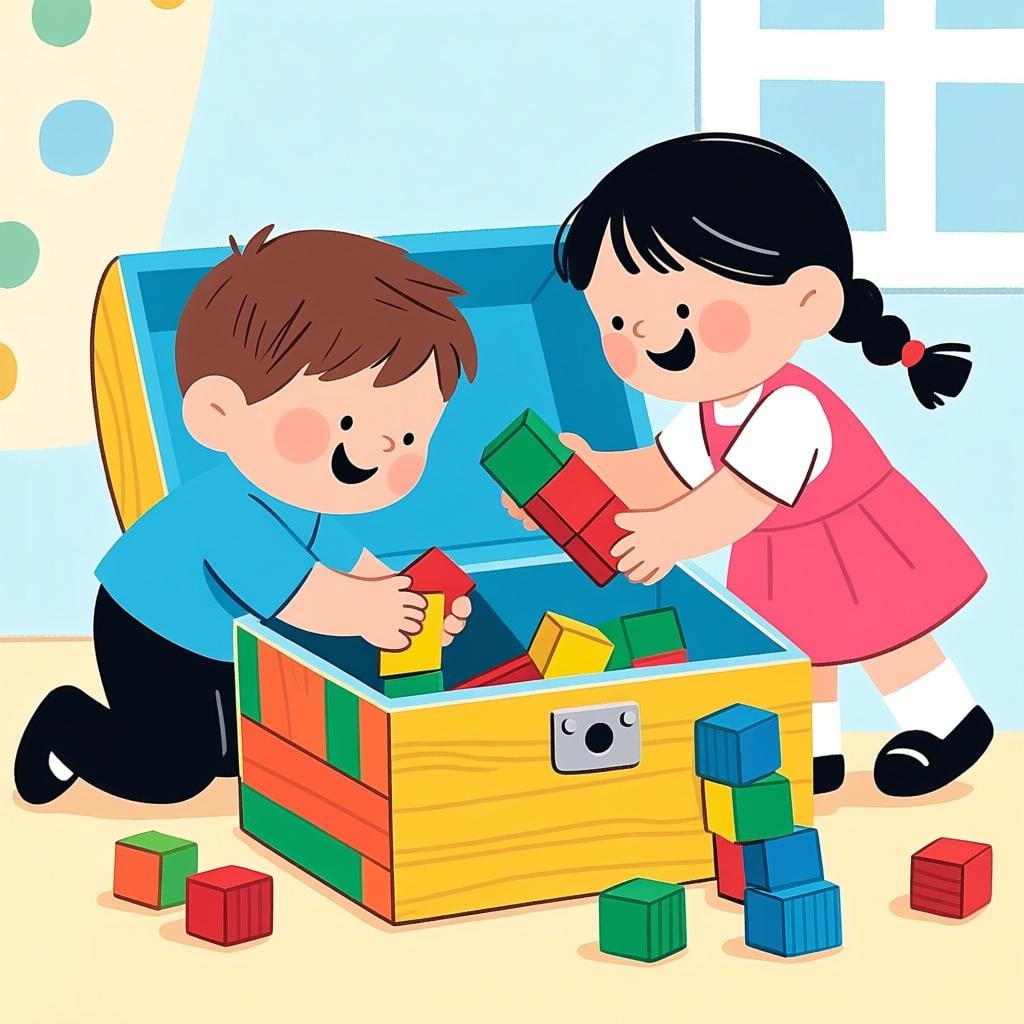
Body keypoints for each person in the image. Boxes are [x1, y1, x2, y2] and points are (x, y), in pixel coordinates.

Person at [505, 134, 991, 798]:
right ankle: (812, 747)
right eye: (617, 320)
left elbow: (734, 501)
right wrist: (580, 475)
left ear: (808, 302)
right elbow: (663, 473)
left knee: (887, 635)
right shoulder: (710, 411)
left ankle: (947, 724)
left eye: (678, 309)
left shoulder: (792, 407)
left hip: (856, 543)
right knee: (802, 648)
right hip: (784, 558)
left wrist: (669, 537)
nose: (642, 334)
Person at [15, 226, 476, 804]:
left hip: (222, 636)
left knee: (255, 746)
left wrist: (410, 598)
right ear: (219, 413)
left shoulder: (304, 500)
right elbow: (310, 597)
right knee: (176, 770)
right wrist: (375, 610)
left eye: (409, 435)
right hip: (152, 629)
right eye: (350, 423)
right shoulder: (227, 512)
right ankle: (68, 726)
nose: (385, 448)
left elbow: (354, 568)